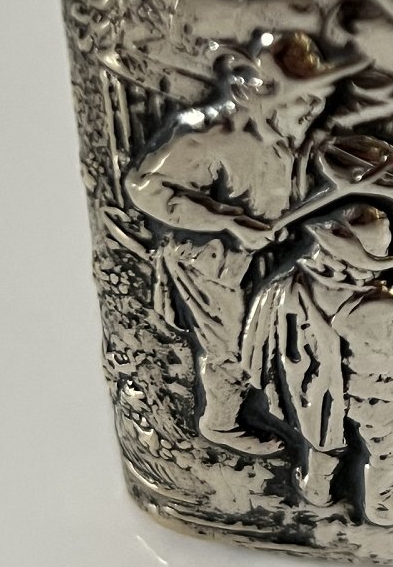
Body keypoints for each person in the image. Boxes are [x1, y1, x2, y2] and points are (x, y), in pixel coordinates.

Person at [124, 29, 362, 454]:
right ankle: (221, 424)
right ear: (258, 93)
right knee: (231, 345)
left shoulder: (287, 136)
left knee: (264, 336)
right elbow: (145, 187)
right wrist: (229, 221)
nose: (314, 109)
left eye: (318, 97)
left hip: (261, 257)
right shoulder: (205, 134)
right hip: (209, 262)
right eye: (302, 98)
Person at [243, 205, 393, 524]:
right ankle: (383, 506)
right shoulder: (382, 308)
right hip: (375, 395)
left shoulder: (289, 287)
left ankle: (316, 491)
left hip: (318, 390)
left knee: (321, 430)